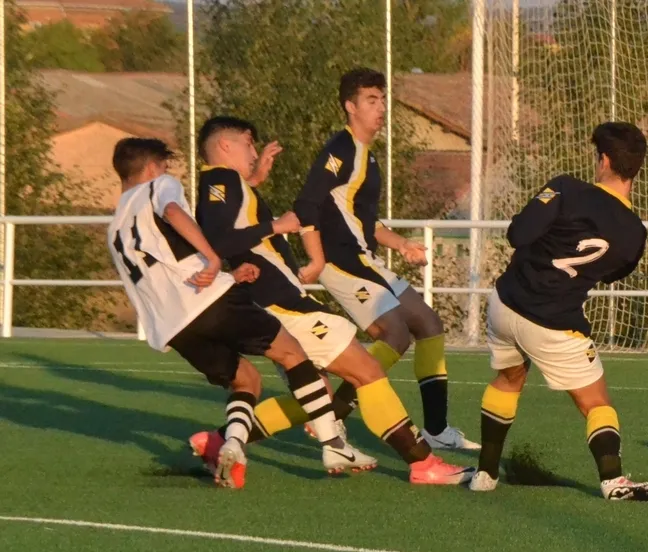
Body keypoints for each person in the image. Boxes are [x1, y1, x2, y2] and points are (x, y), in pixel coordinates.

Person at [188, 116, 473, 486]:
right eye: (248, 143)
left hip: (273, 302)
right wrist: (278, 226)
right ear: (225, 145)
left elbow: (229, 227)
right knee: (366, 372)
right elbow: (218, 240)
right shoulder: (221, 181)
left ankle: (220, 441)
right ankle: (422, 463)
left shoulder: (225, 183)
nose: (254, 151)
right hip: (282, 304)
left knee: (315, 395)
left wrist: (254, 182)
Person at [107, 137, 334, 489]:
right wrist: (214, 259)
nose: (167, 173)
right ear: (152, 169)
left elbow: (169, 268)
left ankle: (232, 446)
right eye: (164, 166)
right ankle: (334, 444)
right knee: (291, 352)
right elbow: (174, 212)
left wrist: (229, 275)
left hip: (174, 328)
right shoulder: (159, 186)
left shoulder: (115, 229)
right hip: (209, 302)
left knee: (246, 381)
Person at [468, 122, 648, 501]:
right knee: (596, 403)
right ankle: (613, 480)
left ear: (603, 160)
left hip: (505, 304)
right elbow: (611, 273)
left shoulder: (565, 188)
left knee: (508, 380)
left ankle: (485, 474)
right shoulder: (635, 233)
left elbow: (517, 234)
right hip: (553, 323)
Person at [293, 67, 478, 451]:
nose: (381, 108)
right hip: (341, 263)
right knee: (395, 333)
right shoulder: (340, 151)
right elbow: (306, 204)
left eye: (382, 100)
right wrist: (315, 261)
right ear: (350, 107)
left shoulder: (367, 157)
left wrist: (402, 245)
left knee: (428, 323)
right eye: (371, 100)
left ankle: (436, 429)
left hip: (363, 260)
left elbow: (367, 223)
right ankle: (331, 416)